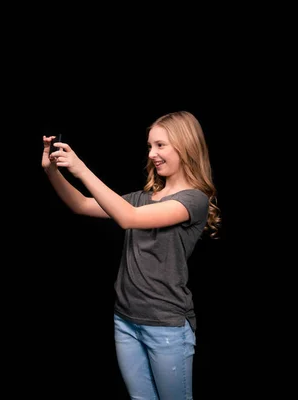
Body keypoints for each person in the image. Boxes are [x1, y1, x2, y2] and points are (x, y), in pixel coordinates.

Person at [42, 111, 221, 399]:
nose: (152, 154)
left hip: (166, 326)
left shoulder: (194, 200)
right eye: (150, 146)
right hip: (125, 320)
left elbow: (128, 218)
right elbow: (82, 205)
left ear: (185, 146)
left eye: (160, 145)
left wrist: (81, 169)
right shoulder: (141, 198)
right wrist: (52, 171)